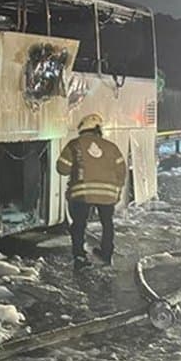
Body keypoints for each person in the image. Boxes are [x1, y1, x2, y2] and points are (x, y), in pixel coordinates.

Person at [56, 113, 127, 268]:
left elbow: (62, 169)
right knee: (107, 223)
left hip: (81, 193)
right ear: (98, 130)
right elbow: (121, 171)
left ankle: (80, 256)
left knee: (79, 224)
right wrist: (117, 191)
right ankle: (106, 254)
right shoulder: (111, 147)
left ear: (82, 129)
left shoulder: (74, 145)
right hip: (108, 194)